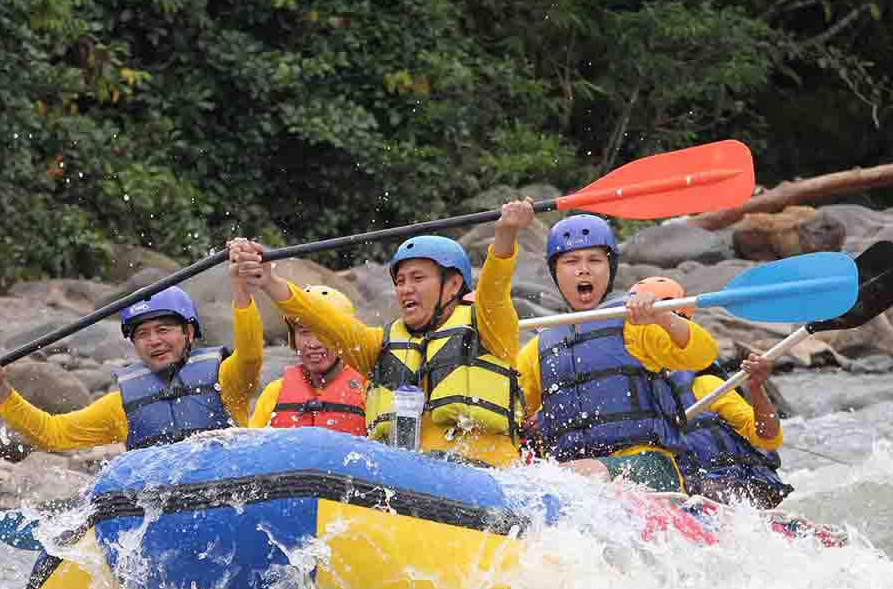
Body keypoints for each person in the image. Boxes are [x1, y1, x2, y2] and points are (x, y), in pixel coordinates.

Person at [232, 199, 535, 468]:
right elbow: (324, 321)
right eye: (400, 281)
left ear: (453, 285)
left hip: (485, 476)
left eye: (418, 278)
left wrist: (505, 236)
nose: (406, 289)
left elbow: (494, 291)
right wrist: (269, 281)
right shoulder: (379, 346)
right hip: (414, 482)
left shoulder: (490, 328)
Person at [516, 214, 719, 491]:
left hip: (647, 466)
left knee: (557, 476)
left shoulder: (634, 324)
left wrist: (663, 317)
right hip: (573, 474)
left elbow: (702, 354)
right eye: (571, 262)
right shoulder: (537, 349)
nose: (583, 270)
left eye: (595, 260)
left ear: (610, 269)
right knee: (540, 473)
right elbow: (510, 411)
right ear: (555, 272)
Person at [0, 262, 264, 451]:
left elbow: (250, 355)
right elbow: (53, 433)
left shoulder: (225, 381)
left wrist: (240, 286)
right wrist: (0, 390)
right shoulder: (121, 406)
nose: (154, 341)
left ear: (188, 332)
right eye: (143, 335)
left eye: (164, 330)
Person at [671, 352, 793, 509]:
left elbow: (768, 437)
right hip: (682, 496)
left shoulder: (706, 387)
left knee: (711, 488)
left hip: (735, 489)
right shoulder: (637, 409)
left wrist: (756, 388)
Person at [248, 284, 367, 434]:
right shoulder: (275, 393)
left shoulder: (368, 392)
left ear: (345, 336)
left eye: (324, 333)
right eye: (304, 332)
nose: (313, 344)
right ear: (293, 337)